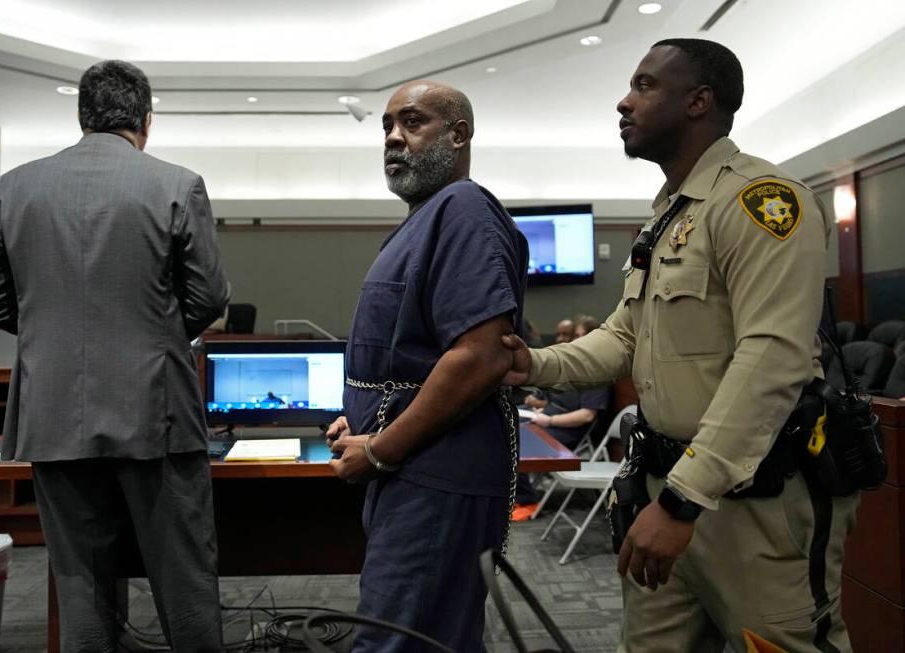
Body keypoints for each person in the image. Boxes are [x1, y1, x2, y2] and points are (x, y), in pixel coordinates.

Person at [501, 39, 857, 652]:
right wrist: (530, 363)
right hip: (666, 485)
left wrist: (685, 501)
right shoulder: (669, 213)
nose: (623, 101)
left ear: (699, 101)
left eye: (644, 86)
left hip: (750, 500)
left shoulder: (763, 201)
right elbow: (623, 337)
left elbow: (772, 359)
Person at [0, 60, 229, 652]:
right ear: (146, 120)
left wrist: (49, 333)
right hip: (155, 410)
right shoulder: (177, 184)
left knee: (79, 582)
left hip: (54, 412)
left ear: (81, 117)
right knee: (183, 578)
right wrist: (157, 334)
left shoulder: (16, 186)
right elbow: (210, 297)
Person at [325, 79, 528, 652]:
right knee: (434, 638)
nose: (393, 137)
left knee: (395, 643)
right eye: (387, 126)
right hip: (412, 472)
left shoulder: (463, 208)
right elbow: (407, 357)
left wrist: (382, 447)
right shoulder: (424, 219)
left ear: (458, 135)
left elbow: (480, 355)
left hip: (437, 475)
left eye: (412, 123)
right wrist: (362, 424)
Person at [513, 314, 608, 519]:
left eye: (581, 335)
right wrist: (541, 410)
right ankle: (515, 494)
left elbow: (585, 416)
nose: (575, 340)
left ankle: (526, 499)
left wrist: (548, 420)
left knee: (514, 441)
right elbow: (557, 401)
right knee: (506, 426)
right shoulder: (575, 367)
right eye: (575, 335)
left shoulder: (598, 372)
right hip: (546, 420)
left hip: (565, 431)